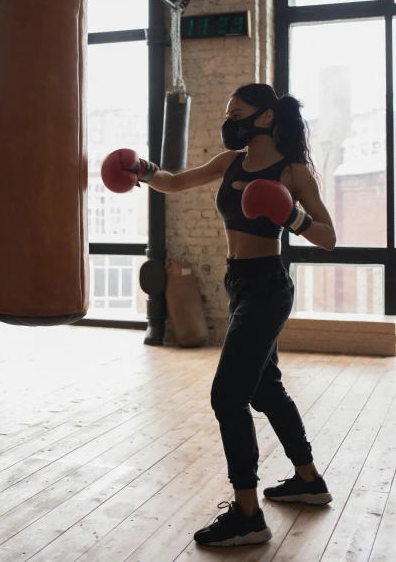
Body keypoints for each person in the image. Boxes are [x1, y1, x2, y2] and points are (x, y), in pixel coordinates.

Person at [102, 83, 336, 548]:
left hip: (268, 286)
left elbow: (328, 237)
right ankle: (308, 481)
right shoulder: (230, 163)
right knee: (265, 389)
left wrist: (291, 218)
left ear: (266, 118)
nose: (231, 121)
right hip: (239, 284)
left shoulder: (292, 172)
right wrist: (141, 170)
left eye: (239, 112)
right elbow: (175, 181)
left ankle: (248, 517)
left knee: (228, 396)